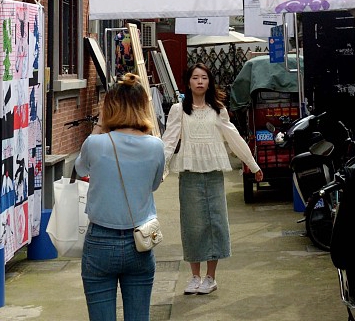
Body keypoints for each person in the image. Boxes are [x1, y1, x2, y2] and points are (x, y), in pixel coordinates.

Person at [162, 61, 264, 296]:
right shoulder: (179, 110)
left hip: (214, 172)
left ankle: (211, 277)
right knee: (192, 224)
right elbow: (169, 141)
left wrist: (252, 164)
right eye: (195, 77)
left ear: (209, 82)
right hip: (189, 173)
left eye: (204, 78)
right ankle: (194, 277)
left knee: (215, 223)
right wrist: (159, 168)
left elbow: (235, 138)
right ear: (188, 82)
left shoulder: (218, 109)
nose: (200, 81)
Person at [75, 74, 165, 321]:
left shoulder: (95, 143)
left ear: (109, 108)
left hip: (101, 241)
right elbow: (154, 185)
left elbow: (81, 169)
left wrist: (99, 124)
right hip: (140, 240)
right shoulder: (156, 146)